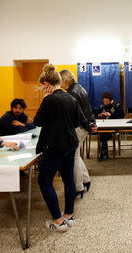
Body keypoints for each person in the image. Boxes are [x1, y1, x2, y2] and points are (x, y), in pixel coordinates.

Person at [35, 64, 81, 232]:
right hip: (70, 143)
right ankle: (69, 215)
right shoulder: (71, 98)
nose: (42, 88)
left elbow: (37, 121)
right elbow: (76, 122)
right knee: (68, 178)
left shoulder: (49, 99)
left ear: (47, 84)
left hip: (55, 146)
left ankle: (58, 221)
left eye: (42, 85)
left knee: (44, 181)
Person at [59, 69, 96, 197]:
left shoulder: (72, 93)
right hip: (84, 127)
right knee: (77, 156)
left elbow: (77, 114)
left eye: (60, 81)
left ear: (65, 79)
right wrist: (91, 124)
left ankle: (78, 187)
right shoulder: (79, 88)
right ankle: (86, 180)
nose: (59, 84)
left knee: (73, 157)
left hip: (79, 127)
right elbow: (87, 109)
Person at [95, 92, 125, 162]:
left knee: (103, 135)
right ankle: (104, 153)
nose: (105, 103)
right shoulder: (102, 107)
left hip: (114, 128)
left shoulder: (116, 105)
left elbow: (122, 115)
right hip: (103, 127)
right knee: (102, 134)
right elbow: (95, 115)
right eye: (104, 101)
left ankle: (104, 154)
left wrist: (111, 115)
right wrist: (99, 115)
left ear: (111, 100)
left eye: (106, 101)